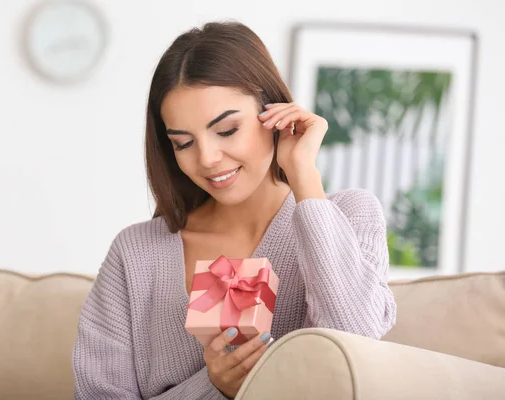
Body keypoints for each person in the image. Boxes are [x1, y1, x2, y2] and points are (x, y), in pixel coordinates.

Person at [72, 20, 397, 400]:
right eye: (183, 143)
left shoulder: (349, 214)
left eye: (226, 131)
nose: (208, 159)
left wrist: (304, 175)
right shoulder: (135, 252)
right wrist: (213, 388)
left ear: (273, 113)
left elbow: (354, 345)